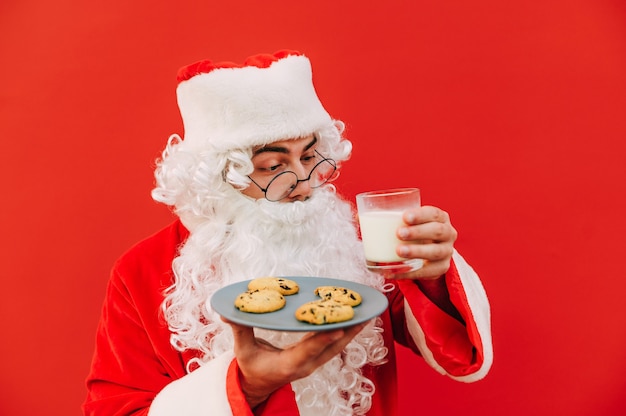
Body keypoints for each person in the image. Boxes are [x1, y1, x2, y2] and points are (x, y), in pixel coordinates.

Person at [83, 49, 493, 416]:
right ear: (219, 177)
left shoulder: (355, 240)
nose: (302, 180)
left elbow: (453, 350)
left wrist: (433, 274)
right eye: (273, 166)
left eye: (310, 155)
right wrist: (246, 387)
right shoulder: (140, 272)